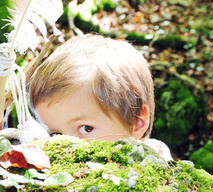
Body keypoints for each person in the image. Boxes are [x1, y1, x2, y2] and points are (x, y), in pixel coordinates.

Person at [28, 34, 172, 160]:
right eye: (56, 135)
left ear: (137, 122)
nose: (67, 148)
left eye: (86, 129)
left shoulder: (161, 179)